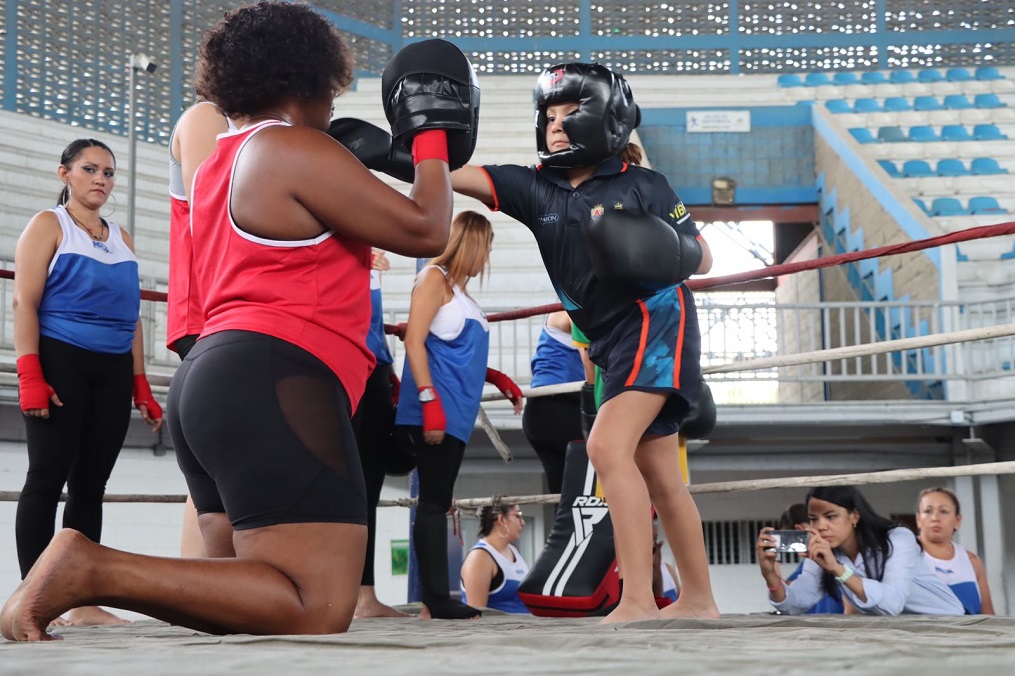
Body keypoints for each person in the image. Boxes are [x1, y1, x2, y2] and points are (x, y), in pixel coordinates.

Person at [1, 1, 473, 641]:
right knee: (316, 603)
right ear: (305, 79)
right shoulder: (287, 147)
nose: (335, 104)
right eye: (331, 89)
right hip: (275, 378)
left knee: (239, 608)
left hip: (216, 379)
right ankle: (89, 567)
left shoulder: (221, 161)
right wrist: (431, 140)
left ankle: (93, 568)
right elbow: (427, 227)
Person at [450, 63, 720, 623]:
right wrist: (398, 149)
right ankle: (699, 601)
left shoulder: (643, 184)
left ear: (606, 117)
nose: (555, 125)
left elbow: (703, 255)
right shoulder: (537, 187)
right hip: (606, 339)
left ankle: (640, 600)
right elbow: (456, 175)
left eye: (570, 112)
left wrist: (655, 247)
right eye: (547, 115)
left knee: (604, 448)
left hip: (654, 318)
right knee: (662, 477)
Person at [11, 138, 163, 628]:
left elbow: (133, 317)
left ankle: (79, 602)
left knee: (90, 486)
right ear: (65, 175)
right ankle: (31, 599)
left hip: (113, 368)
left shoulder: (122, 237)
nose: (101, 179)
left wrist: (140, 383)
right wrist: (30, 372)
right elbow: (24, 304)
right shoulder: (47, 226)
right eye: (90, 169)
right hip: (61, 359)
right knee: (46, 479)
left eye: (109, 172)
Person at [395, 210, 524, 620]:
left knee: (439, 499)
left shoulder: (464, 296)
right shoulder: (434, 279)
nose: (487, 256)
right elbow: (415, 341)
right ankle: (435, 599)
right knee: (433, 502)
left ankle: (436, 599)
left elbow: (455, 351)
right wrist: (428, 400)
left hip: (456, 412)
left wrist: (497, 377)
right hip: (436, 409)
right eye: (486, 246)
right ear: (472, 244)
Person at [167, 98, 233, 559]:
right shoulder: (207, 117)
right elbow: (214, 204)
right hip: (208, 307)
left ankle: (202, 584)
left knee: (215, 466)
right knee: (221, 462)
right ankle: (204, 583)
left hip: (228, 306)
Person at [757, 486, 965, 616]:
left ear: (854, 516)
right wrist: (770, 575)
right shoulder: (823, 549)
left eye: (831, 517)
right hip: (903, 631)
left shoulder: (897, 538)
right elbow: (796, 604)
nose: (821, 526)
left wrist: (837, 569)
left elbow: (892, 604)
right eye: (814, 518)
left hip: (949, 623)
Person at [352, 249, 410, 619]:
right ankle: (358, 595)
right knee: (355, 486)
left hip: (373, 368)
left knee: (367, 485)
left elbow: (372, 326)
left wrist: (388, 370)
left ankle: (363, 594)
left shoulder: (368, 261)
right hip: (349, 368)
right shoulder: (341, 253)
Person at [522, 310, 585, 493]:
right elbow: (592, 364)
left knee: (567, 498)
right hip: (559, 406)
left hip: (543, 411)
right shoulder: (571, 309)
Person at [916, 486, 994, 615]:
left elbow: (989, 616)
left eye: (944, 511)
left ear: (957, 520)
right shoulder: (906, 557)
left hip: (971, 634)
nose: (935, 517)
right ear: (918, 519)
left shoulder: (972, 561)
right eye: (928, 511)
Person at [460, 503, 530, 614]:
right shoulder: (480, 557)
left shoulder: (514, 552)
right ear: (501, 519)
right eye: (518, 516)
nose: (522, 522)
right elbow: (475, 617)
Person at [776, 503, 844, 614]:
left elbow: (786, 597)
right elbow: (788, 595)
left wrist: (774, 565)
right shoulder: (810, 563)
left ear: (799, 529)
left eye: (788, 539)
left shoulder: (817, 559)